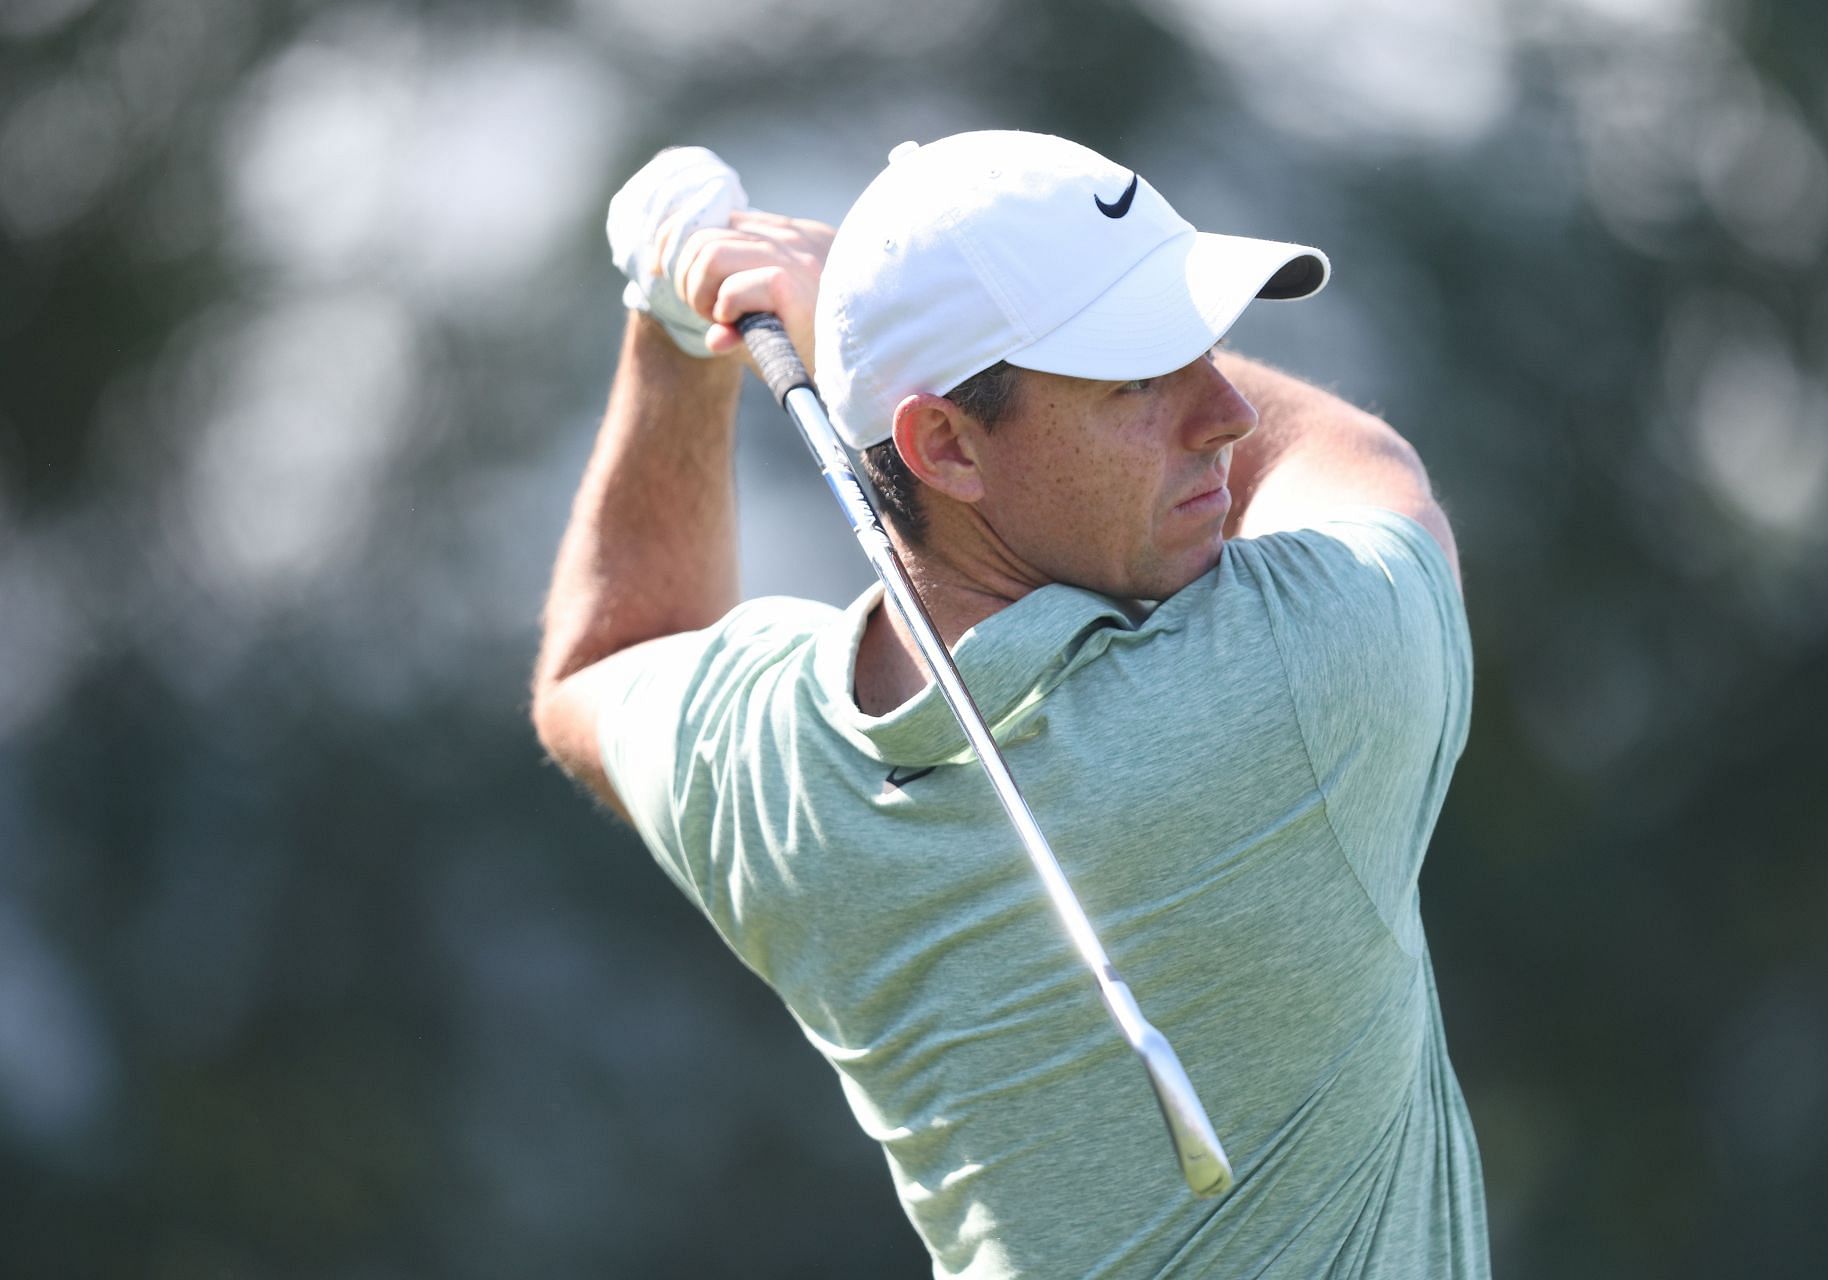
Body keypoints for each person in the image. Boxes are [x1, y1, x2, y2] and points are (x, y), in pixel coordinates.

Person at [531, 131, 1489, 1278]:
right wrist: (839, 300)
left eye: (1198, 344)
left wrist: (674, 331)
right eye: (1138, 375)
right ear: (944, 443)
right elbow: (1357, 456)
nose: (1225, 408)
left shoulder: (774, 761)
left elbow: (606, 654)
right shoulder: (1307, 675)